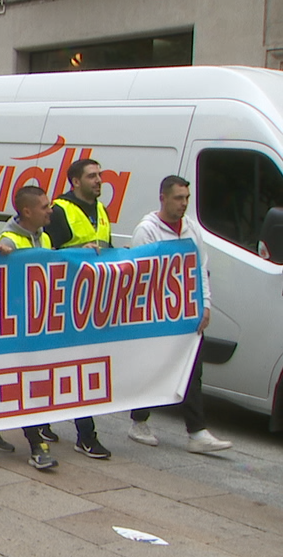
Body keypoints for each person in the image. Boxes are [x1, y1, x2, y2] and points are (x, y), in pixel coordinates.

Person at [128, 175, 233, 454]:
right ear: (163, 198)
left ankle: (197, 432)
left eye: (186, 198)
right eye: (178, 198)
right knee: (153, 368)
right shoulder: (147, 231)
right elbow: (140, 276)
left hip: (186, 313)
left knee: (191, 369)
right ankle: (139, 421)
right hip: (157, 316)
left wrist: (205, 304)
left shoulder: (191, 230)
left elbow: (201, 269)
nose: (183, 204)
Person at [0, 185, 61, 470]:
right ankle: (37, 444)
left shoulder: (43, 237)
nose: (50, 210)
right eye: (44, 206)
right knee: (29, 385)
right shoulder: (8, 242)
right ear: (27, 211)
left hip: (37, 324)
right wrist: (0, 258)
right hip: (16, 329)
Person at [44, 158, 114, 459]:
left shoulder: (100, 209)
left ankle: (42, 421)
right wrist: (76, 254)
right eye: (92, 176)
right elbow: (47, 255)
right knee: (74, 367)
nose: (99, 181)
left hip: (92, 301)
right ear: (75, 182)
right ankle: (86, 435)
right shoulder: (60, 211)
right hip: (65, 303)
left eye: (100, 176)